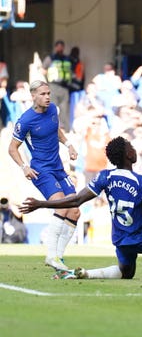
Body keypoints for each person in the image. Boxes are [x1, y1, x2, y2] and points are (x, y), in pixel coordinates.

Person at [19, 136, 142, 280]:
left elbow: (76, 200)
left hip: (120, 240)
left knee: (127, 273)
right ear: (127, 155)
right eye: (131, 147)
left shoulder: (104, 177)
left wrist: (41, 204)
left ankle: (86, 274)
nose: (134, 149)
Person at [8, 80, 80, 271]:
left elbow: (56, 130)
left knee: (74, 210)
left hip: (58, 168)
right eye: (43, 94)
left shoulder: (53, 110)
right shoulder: (25, 120)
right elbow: (12, 148)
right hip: (41, 170)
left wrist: (69, 144)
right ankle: (51, 255)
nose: (47, 97)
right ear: (33, 96)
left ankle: (59, 258)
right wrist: (24, 166)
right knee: (61, 204)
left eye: (48, 93)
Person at [41, 40, 71, 131]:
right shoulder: (50, 58)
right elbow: (43, 69)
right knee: (53, 106)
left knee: (64, 107)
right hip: (53, 85)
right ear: (56, 47)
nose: (60, 48)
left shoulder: (67, 58)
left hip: (64, 87)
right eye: (58, 46)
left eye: (62, 46)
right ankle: (52, 126)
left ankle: (63, 127)